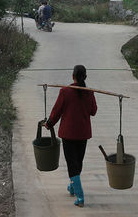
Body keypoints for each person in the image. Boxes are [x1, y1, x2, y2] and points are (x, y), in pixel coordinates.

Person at [45, 65, 97, 207]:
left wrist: (49, 124)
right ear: (85, 77)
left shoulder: (65, 91)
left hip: (68, 134)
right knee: (78, 162)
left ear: (72, 76)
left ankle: (80, 197)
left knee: (72, 164)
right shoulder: (89, 92)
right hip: (83, 134)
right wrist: (90, 95)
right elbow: (93, 111)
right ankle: (73, 187)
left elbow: (57, 111)